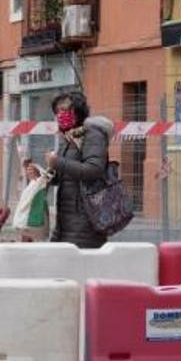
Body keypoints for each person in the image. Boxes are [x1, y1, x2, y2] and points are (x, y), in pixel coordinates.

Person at [33, 91, 113, 249]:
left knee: (79, 267)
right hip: (65, 219)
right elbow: (67, 175)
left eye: (65, 109)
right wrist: (43, 175)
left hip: (85, 218)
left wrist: (57, 162)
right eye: (57, 111)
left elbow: (94, 170)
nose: (60, 114)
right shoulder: (69, 137)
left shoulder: (93, 135)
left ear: (78, 110)